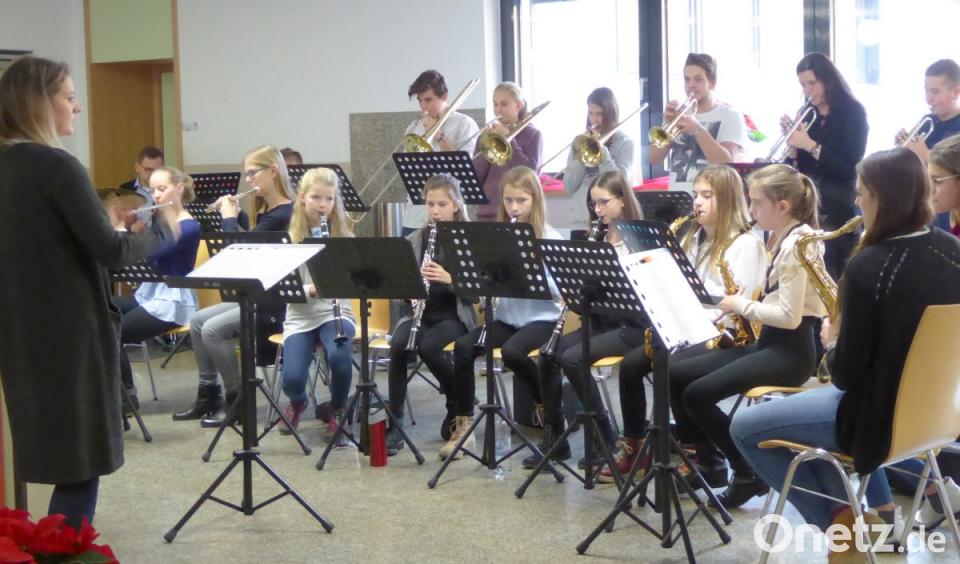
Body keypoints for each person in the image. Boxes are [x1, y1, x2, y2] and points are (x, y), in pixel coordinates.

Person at [730, 148, 960, 558]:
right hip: (936, 417)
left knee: (745, 427)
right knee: (799, 430)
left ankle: (844, 526)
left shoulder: (869, 265)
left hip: (874, 420)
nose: (856, 202)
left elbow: (846, 376)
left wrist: (833, 340)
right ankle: (862, 516)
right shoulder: (953, 251)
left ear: (882, 199)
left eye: (861, 194)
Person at [0, 56, 179, 529]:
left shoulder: (9, 164)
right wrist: (164, 227)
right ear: (40, 103)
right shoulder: (57, 165)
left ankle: (53, 546)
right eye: (70, 97)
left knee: (52, 452)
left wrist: (107, 224)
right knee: (79, 463)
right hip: (69, 334)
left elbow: (47, 239)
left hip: (20, 329)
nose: (77, 108)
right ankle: (65, 552)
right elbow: (112, 252)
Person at [669, 164, 827, 509]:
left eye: (756, 203)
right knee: (675, 372)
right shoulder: (781, 236)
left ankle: (745, 470)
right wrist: (744, 301)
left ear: (782, 205)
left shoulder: (799, 244)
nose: (751, 210)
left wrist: (741, 305)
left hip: (791, 353)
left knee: (697, 394)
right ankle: (708, 461)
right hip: (768, 343)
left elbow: (790, 317)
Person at [598, 165, 765, 483]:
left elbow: (737, 302)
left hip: (725, 333)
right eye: (695, 195)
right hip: (687, 325)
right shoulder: (692, 237)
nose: (697, 202)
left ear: (728, 199)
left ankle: (705, 455)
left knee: (671, 368)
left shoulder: (746, 244)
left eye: (706, 195)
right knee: (632, 366)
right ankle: (635, 446)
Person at [444, 167, 561, 461]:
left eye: (522, 200)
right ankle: (463, 424)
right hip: (506, 318)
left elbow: (559, 289)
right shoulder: (496, 237)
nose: (514, 208)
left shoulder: (549, 236)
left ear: (535, 200)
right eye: (509, 200)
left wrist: (527, 274)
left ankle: (545, 408)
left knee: (512, 352)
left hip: (542, 320)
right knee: (463, 347)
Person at [530, 171, 645, 469]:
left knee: (572, 359)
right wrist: (574, 294)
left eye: (604, 202)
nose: (598, 210)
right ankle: (555, 438)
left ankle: (605, 435)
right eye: (594, 204)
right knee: (547, 356)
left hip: (633, 326)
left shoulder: (637, 240)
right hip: (602, 324)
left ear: (623, 200)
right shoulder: (596, 238)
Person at [173, 145, 295, 426]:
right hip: (258, 295)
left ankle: (238, 399)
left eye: (252, 173)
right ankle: (208, 394)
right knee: (198, 321)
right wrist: (239, 216)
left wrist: (228, 218)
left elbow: (239, 249)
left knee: (213, 330)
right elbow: (254, 239)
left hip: (274, 303)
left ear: (272, 171)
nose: (248, 180)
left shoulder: (284, 213)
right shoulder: (268, 211)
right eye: (246, 174)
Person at [387, 173, 478, 455]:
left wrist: (450, 279)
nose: (435, 211)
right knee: (398, 345)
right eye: (430, 204)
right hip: (420, 314)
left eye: (441, 204)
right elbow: (399, 285)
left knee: (429, 347)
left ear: (456, 205)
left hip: (454, 317)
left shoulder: (468, 239)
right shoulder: (416, 238)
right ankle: (395, 421)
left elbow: (476, 293)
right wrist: (409, 290)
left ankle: (456, 403)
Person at [279, 167, 356, 436]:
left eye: (329, 199)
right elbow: (284, 288)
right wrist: (311, 289)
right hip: (301, 316)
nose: (323, 205)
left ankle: (338, 408)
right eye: (316, 198)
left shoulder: (344, 238)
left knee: (340, 357)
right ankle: (299, 401)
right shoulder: (289, 240)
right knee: (292, 379)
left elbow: (356, 281)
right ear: (302, 197)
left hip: (336, 313)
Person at [115, 167, 201, 409]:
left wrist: (127, 232)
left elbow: (152, 255)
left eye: (162, 189)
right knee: (103, 309)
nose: (156, 196)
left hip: (172, 301)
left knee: (113, 333)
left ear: (179, 189)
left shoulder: (188, 227)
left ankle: (127, 396)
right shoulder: (162, 221)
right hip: (150, 294)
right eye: (153, 190)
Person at [782, 52, 868, 279]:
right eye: (803, 85)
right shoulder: (806, 113)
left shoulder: (853, 113)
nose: (807, 90)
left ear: (828, 80)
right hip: (808, 205)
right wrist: (792, 145)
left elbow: (850, 168)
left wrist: (810, 145)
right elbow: (795, 168)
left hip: (839, 206)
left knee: (836, 274)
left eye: (812, 83)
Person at [648, 53, 747, 194]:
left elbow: (728, 165)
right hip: (679, 198)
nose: (691, 85)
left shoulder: (730, 115)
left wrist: (697, 130)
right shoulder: (679, 114)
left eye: (698, 79)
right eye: (687, 79)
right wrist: (667, 124)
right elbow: (653, 158)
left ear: (713, 83)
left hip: (714, 200)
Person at [400, 70, 480, 236]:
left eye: (429, 100)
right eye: (420, 101)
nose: (423, 107)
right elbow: (409, 169)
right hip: (415, 215)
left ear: (444, 96)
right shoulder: (414, 128)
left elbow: (464, 169)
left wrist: (440, 137)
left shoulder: (464, 124)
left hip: (450, 215)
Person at [897, 59, 960, 231]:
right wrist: (904, 146)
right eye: (926, 90)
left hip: (948, 212)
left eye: (935, 92)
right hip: (923, 202)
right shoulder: (928, 121)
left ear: (956, 92)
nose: (928, 98)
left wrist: (927, 156)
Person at [562, 87, 636, 229]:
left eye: (599, 114)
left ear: (611, 114)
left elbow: (620, 186)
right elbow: (569, 186)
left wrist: (602, 153)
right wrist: (583, 154)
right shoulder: (581, 142)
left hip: (611, 223)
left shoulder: (625, 143)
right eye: (591, 113)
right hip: (581, 222)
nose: (594, 119)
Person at [472, 82, 543, 222]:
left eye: (504, 104)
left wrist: (509, 140)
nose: (498, 110)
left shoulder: (533, 134)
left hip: (516, 213)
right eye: (495, 104)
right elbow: (476, 177)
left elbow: (530, 173)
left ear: (518, 105)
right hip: (487, 212)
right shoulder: (490, 135)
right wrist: (485, 144)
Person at [118, 146, 164, 232]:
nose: (153, 174)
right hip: (133, 237)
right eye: (148, 169)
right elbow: (119, 223)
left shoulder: (166, 191)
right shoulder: (125, 190)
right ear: (137, 167)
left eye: (157, 170)